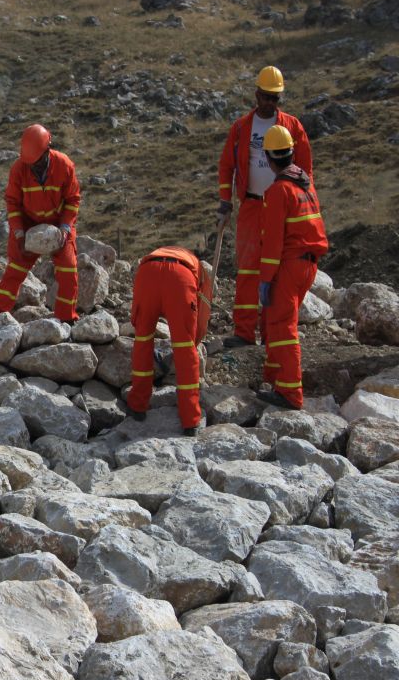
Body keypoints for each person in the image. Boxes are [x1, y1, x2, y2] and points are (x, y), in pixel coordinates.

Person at [217, 65, 312, 348]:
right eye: (266, 96)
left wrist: (302, 206)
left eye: (275, 98)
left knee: (278, 272)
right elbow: (227, 165)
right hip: (252, 205)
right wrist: (225, 201)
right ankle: (244, 332)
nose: (270, 102)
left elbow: (305, 171)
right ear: (257, 95)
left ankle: (272, 334)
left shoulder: (292, 127)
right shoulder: (241, 128)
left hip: (282, 209)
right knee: (248, 269)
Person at [254, 125, 328, 410]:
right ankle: (273, 376)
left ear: (268, 157)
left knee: (284, 326)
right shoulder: (305, 185)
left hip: (289, 265)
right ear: (291, 153)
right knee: (277, 320)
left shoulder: (279, 191)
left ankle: (290, 392)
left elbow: (272, 242)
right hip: (308, 265)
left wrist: (266, 278)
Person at [0, 124, 82, 322]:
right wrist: (19, 235)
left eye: (37, 162)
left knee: (68, 269)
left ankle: (66, 319)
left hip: (58, 224)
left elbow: (73, 200)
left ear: (48, 150)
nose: (33, 166)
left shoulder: (64, 165)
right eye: (30, 163)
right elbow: (13, 204)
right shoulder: (19, 168)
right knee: (15, 270)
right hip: (28, 224)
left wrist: (65, 229)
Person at [126, 246, 213, 437]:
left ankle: (137, 405)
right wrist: (193, 341)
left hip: (147, 273)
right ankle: (190, 420)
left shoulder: (161, 253)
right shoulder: (201, 273)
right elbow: (201, 319)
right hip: (180, 278)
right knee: (184, 348)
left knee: (142, 340)